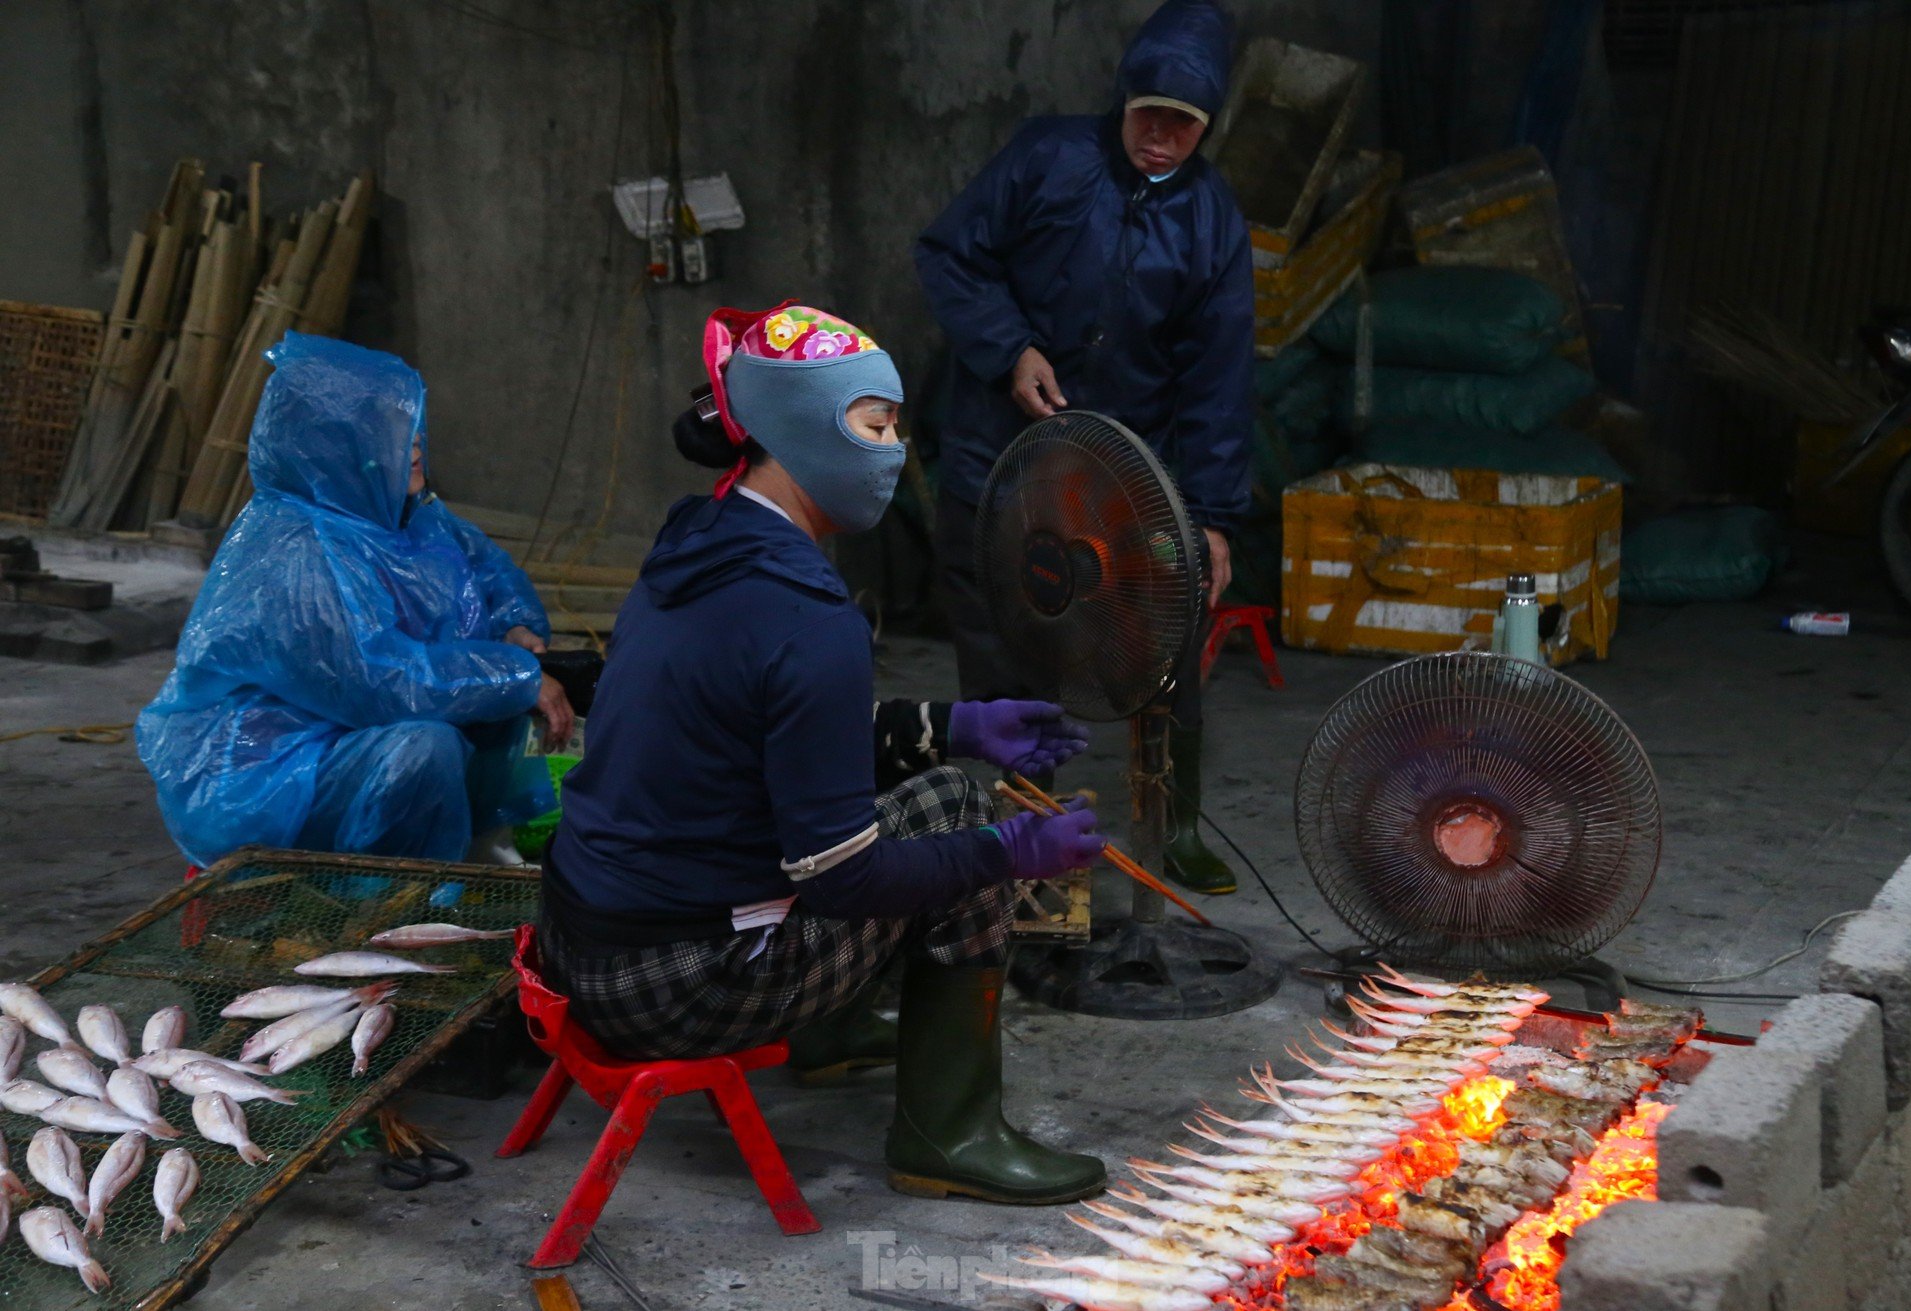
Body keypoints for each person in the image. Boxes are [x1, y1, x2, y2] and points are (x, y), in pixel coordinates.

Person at [541, 302, 1110, 1205]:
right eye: (872, 424)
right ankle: (949, 1131)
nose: (892, 451)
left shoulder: (700, 541)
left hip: (582, 944)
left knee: (936, 783)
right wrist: (1015, 853)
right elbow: (842, 881)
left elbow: (775, 735)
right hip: (675, 984)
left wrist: (957, 726)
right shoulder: (809, 618)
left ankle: (830, 1031)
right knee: (963, 813)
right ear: (803, 426)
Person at [915, 0, 1255, 895]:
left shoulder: (1213, 223)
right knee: (1003, 649)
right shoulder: (1047, 158)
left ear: (1207, 129)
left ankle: (1171, 823)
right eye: (1148, 116)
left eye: (1183, 127)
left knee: (1166, 643)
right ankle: (1024, 841)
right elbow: (952, 255)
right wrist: (1008, 348)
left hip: (1121, 482)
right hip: (1005, 461)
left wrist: (1212, 521)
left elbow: (1217, 383)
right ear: (1122, 100)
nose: (1160, 140)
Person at [137, 333, 574, 870]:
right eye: (392, 431)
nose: (415, 445)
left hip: (349, 742)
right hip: (272, 782)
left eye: (413, 428)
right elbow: (379, 681)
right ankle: (375, 901)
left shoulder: (406, 515)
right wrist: (516, 676)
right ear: (335, 444)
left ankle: (458, 856)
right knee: (427, 747)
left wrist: (515, 627)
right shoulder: (297, 549)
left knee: (505, 711)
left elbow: (487, 568)